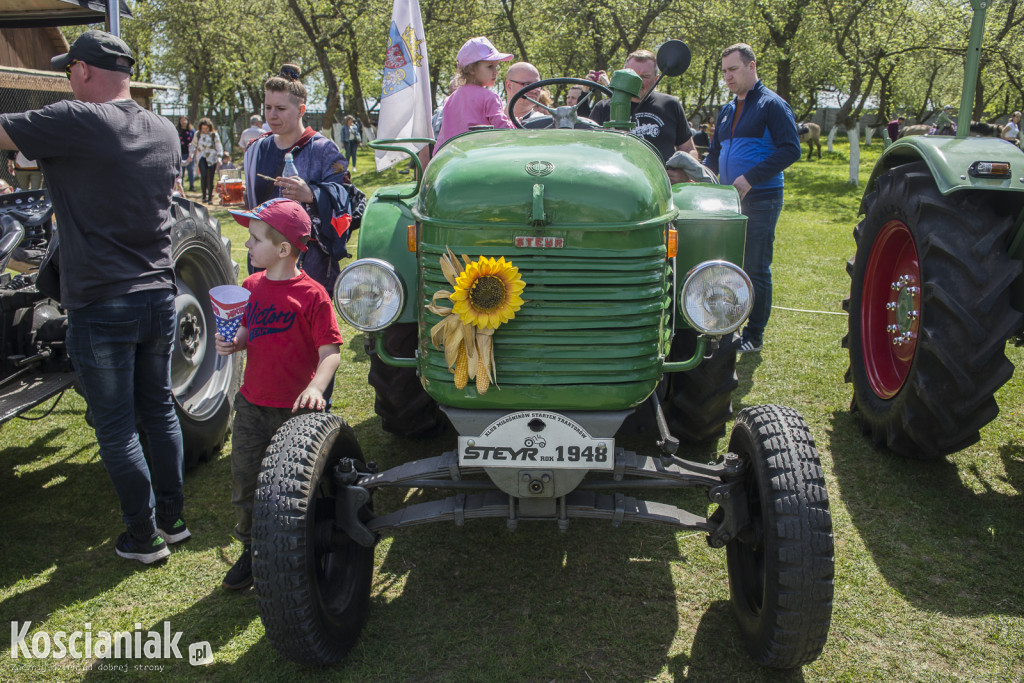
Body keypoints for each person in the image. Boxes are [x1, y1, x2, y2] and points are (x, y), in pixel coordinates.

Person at [0, 29, 188, 564]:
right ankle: (173, 521)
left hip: (101, 300)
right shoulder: (164, 130)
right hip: (158, 290)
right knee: (159, 410)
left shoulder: (76, 119)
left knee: (115, 426)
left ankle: (143, 537)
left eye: (67, 72)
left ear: (82, 71)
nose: (67, 80)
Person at [215, 198, 343, 589]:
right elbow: (250, 332)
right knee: (247, 483)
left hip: (297, 412)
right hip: (252, 405)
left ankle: (305, 550)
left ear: (284, 249)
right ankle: (252, 550)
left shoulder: (313, 295)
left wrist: (315, 387)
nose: (248, 246)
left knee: (299, 489)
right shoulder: (251, 287)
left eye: (255, 240)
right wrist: (236, 340)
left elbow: (330, 353)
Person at [704, 43, 801, 354]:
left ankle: (754, 335)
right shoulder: (728, 109)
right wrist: (702, 175)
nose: (728, 77)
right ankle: (724, 324)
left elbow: (791, 149)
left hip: (762, 198)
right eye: (724, 72)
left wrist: (750, 178)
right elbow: (715, 154)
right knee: (727, 264)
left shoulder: (772, 105)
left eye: (733, 70)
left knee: (756, 267)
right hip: (728, 201)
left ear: (752, 66)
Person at [242, 63, 357, 294]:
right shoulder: (255, 149)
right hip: (264, 259)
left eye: (281, 108)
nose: (272, 115)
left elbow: (348, 199)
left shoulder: (324, 150)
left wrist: (313, 195)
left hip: (309, 265)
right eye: (268, 107)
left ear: (301, 109)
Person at [588, 50, 697, 163]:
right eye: (633, 76)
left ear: (656, 79)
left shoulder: (670, 105)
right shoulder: (603, 108)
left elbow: (689, 149)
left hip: (663, 179)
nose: (638, 82)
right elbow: (587, 149)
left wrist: (683, 171)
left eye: (645, 76)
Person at [434, 37, 515, 151]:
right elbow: (503, 130)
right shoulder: (490, 98)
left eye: (496, 66)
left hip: (452, 156)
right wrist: (516, 124)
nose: (495, 72)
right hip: (478, 157)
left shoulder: (450, 99)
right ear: (471, 69)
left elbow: (443, 135)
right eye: (490, 66)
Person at [190, 117, 223, 203]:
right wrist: (191, 155)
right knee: (203, 175)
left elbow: (219, 147)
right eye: (203, 128)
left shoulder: (214, 135)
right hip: (201, 157)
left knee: (210, 178)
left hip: (212, 158)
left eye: (206, 128)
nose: (204, 130)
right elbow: (193, 145)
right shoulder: (197, 134)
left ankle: (210, 198)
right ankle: (204, 196)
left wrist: (219, 158)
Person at [176, 116, 195, 191]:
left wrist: (193, 154)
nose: (184, 122)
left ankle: (192, 186)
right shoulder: (177, 131)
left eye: (185, 120)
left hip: (189, 153)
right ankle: (181, 185)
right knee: (181, 171)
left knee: (190, 170)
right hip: (180, 153)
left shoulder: (192, 131)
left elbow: (194, 142)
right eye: (182, 120)